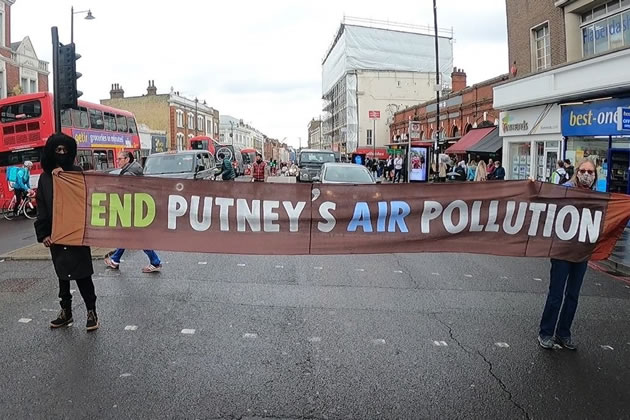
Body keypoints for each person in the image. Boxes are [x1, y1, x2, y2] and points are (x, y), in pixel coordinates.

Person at [34, 134, 99, 331]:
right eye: (58, 150)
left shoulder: (77, 173)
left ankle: (91, 312)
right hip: (56, 234)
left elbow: (85, 202)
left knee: (83, 276)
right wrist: (44, 233)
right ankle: (66, 312)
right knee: (62, 276)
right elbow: (42, 206)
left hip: (76, 234)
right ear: (51, 152)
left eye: (65, 150)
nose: (61, 154)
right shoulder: (45, 178)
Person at [538, 158, 598, 350]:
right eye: (583, 171)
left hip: (581, 253)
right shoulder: (564, 189)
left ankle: (564, 334)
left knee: (573, 295)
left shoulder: (598, 197)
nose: (587, 175)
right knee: (556, 294)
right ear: (577, 171)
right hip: (562, 251)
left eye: (591, 172)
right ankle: (546, 333)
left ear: (595, 175)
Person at [104, 151, 162, 273]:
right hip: (135, 208)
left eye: (120, 159)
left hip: (132, 209)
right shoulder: (133, 169)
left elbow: (124, 192)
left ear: (127, 159)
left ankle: (155, 262)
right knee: (129, 235)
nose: (117, 161)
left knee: (137, 237)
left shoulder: (129, 174)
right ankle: (115, 259)